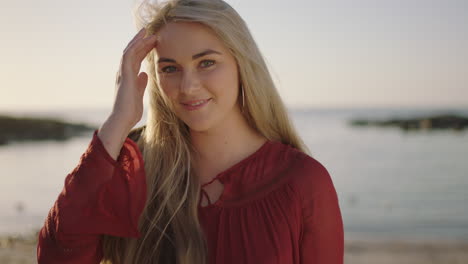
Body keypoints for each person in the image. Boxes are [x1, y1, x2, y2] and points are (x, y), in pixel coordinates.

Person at [36, 0, 344, 263]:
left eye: (206, 62)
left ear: (242, 65)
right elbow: (57, 254)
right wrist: (118, 121)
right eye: (169, 68)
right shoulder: (134, 169)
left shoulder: (302, 182)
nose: (188, 87)